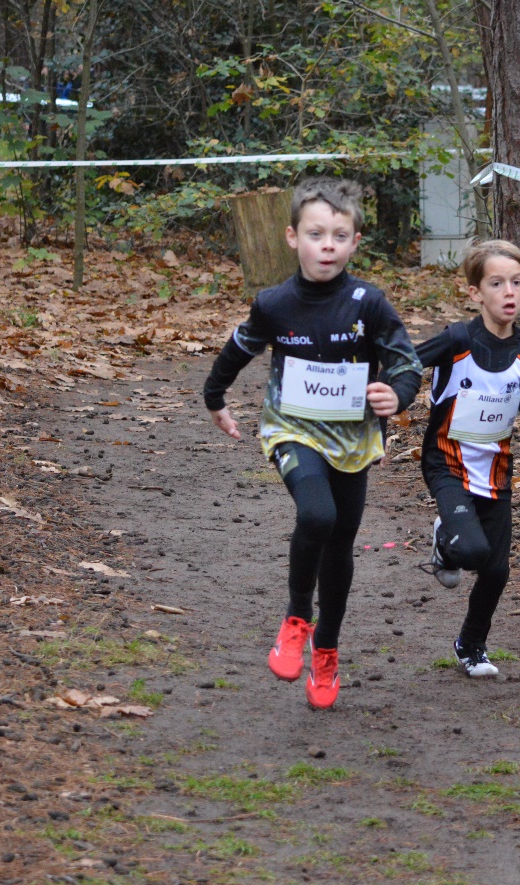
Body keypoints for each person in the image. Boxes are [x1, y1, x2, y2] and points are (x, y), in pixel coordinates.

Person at [203, 178, 422, 709]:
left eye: (339, 235)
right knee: (317, 517)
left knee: (340, 544)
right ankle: (297, 616)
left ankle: (326, 650)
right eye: (316, 234)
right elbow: (239, 349)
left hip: (352, 438)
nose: (328, 245)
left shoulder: (368, 303)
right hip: (293, 430)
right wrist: (215, 396)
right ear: (291, 237)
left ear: (354, 242)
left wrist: (397, 395)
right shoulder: (275, 303)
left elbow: (406, 362)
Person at [417, 241, 520, 678]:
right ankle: (446, 542)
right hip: (445, 461)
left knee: (496, 570)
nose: (508, 292)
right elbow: (405, 365)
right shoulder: (457, 340)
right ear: (476, 293)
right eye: (497, 283)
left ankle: (470, 646)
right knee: (473, 552)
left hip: (496, 469)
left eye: (516, 283)